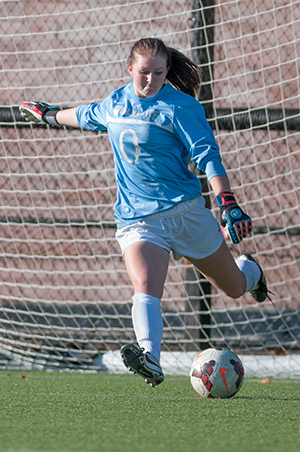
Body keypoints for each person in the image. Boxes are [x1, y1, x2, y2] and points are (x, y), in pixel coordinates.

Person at [20, 37, 270, 388]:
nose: (150, 80)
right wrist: (49, 114)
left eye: (158, 73)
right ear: (129, 69)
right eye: (143, 72)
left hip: (186, 214)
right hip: (139, 218)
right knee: (146, 283)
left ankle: (251, 273)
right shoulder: (116, 102)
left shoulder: (181, 107)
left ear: (167, 72)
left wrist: (226, 201)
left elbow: (207, 155)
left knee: (233, 287)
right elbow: (85, 115)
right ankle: (150, 358)